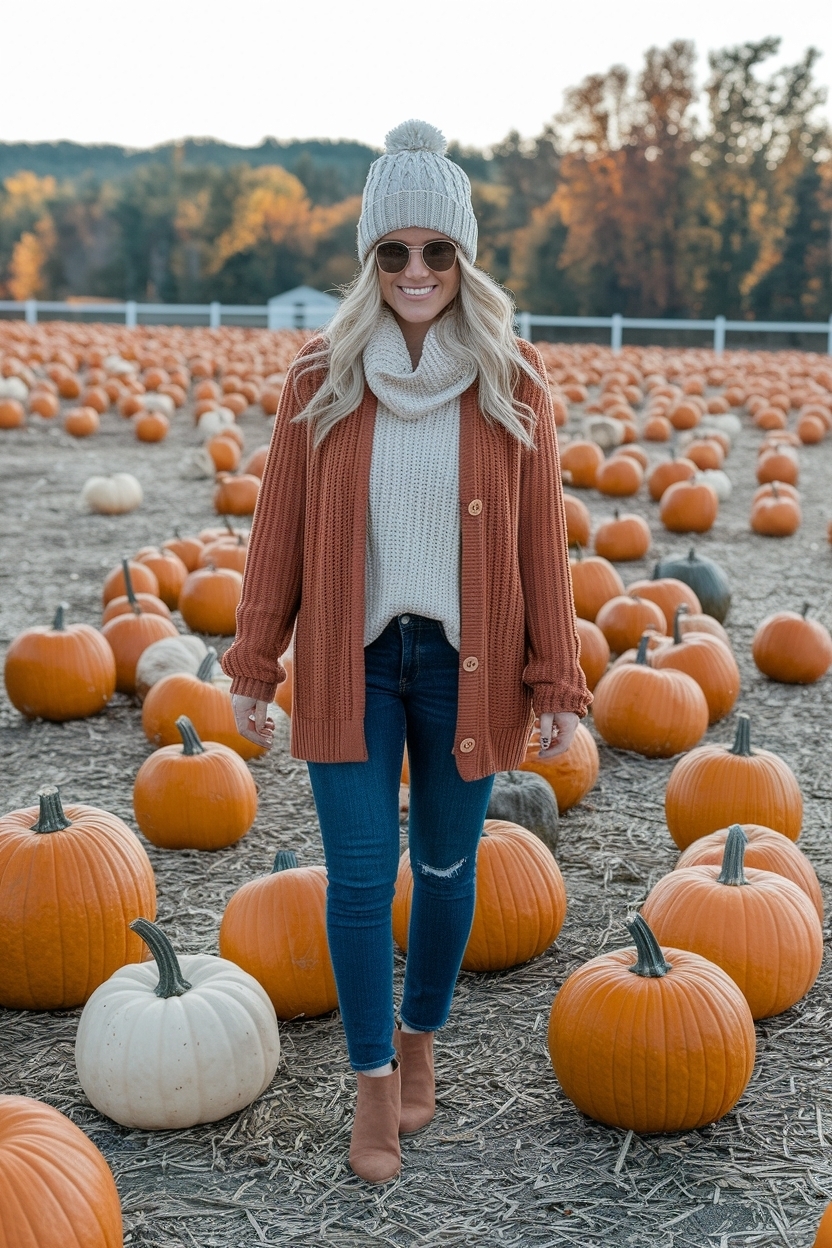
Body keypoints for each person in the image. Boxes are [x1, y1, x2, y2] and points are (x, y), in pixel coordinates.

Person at [222, 118, 590, 1185]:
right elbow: (275, 533)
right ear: (368, 261)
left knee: (443, 868)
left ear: (463, 260)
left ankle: (422, 1036)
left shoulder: (512, 382)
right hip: (355, 662)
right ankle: (374, 1082)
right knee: (354, 879)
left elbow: (541, 543)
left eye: (436, 251)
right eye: (395, 252)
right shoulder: (318, 380)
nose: (416, 271)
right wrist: (252, 668)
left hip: (463, 666)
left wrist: (556, 675)